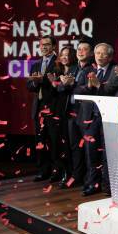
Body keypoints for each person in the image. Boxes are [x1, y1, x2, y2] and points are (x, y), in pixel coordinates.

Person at [74, 43, 115, 196]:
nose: (99, 56)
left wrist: (99, 86)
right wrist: (89, 87)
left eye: (103, 53)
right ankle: (92, 184)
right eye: (97, 52)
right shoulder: (88, 70)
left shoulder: (114, 71)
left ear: (110, 56)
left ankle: (108, 186)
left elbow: (113, 91)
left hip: (107, 117)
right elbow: (77, 89)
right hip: (90, 117)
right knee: (91, 153)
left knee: (107, 154)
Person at [56, 40, 94, 188]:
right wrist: (64, 84)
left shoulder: (93, 68)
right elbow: (60, 90)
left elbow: (89, 90)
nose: (81, 51)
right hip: (71, 113)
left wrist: (72, 86)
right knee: (74, 146)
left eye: (84, 49)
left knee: (87, 148)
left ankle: (88, 179)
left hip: (86, 114)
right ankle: (76, 176)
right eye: (79, 49)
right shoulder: (72, 68)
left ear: (90, 53)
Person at [26, 36, 60, 182]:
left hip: (53, 107)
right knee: (40, 141)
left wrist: (43, 81)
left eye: (47, 44)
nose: (44, 47)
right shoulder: (36, 64)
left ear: (53, 46)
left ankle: (56, 171)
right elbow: (29, 86)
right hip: (39, 107)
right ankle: (43, 170)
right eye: (41, 45)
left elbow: (59, 85)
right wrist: (34, 83)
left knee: (54, 141)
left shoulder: (59, 63)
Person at [48, 46, 77, 188]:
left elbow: (68, 88)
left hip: (70, 112)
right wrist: (54, 85)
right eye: (62, 55)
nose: (65, 57)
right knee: (58, 144)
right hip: (57, 111)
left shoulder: (76, 70)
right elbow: (55, 91)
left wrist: (58, 85)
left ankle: (71, 174)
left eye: (67, 54)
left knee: (69, 145)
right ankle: (62, 172)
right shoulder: (57, 70)